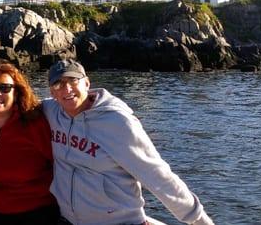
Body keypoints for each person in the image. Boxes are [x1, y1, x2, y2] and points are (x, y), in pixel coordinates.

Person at [43, 59, 215, 225]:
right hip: (68, 220)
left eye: (73, 81)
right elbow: (20, 104)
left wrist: (197, 219)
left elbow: (156, 174)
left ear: (87, 83)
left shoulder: (117, 122)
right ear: (52, 92)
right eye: (59, 84)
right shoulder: (51, 111)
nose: (67, 89)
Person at [0, 60, 59, 225]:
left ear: (16, 94)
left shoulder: (34, 124)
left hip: (39, 214)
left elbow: (59, 164)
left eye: (5, 88)